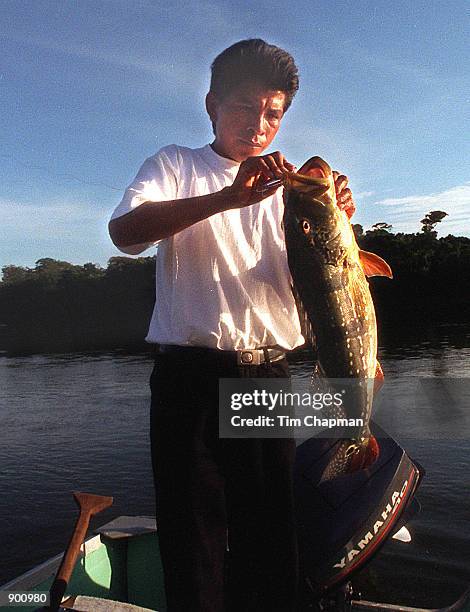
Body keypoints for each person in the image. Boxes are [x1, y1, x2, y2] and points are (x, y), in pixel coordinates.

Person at [109, 39, 355, 612]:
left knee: (271, 532)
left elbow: (327, 285)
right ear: (212, 105)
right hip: (189, 381)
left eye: (274, 113)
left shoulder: (293, 191)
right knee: (193, 534)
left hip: (268, 376)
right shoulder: (175, 164)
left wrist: (339, 217)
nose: (260, 124)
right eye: (245, 107)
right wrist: (227, 197)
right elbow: (125, 235)